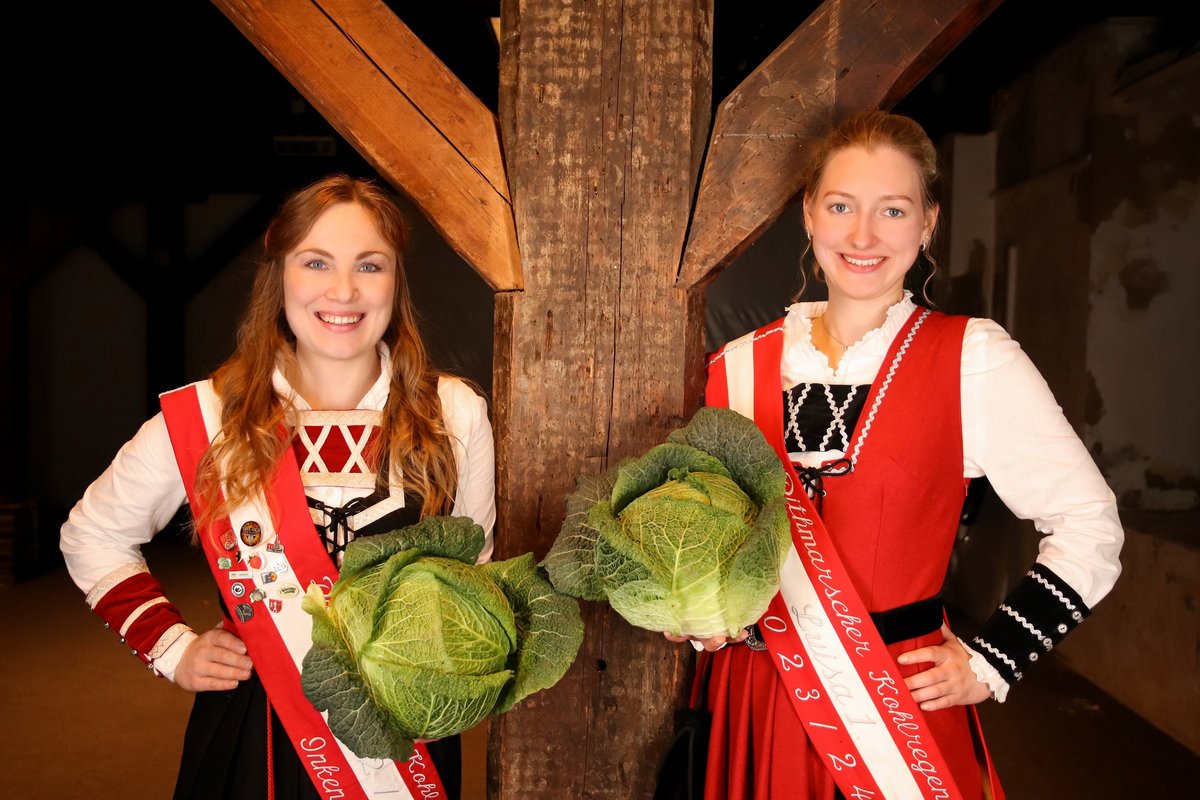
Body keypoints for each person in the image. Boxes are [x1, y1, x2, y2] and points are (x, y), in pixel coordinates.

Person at [670, 110, 1124, 799]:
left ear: (928, 222)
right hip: (754, 701)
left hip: (894, 709)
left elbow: (1091, 522)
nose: (863, 235)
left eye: (893, 210)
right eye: (842, 205)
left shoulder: (971, 357)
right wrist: (692, 611)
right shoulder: (734, 367)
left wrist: (993, 658)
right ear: (809, 214)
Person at [60, 174, 496, 800]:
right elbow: (93, 535)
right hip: (256, 728)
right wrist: (171, 647)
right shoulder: (206, 417)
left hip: (403, 736)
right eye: (315, 262)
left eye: (369, 266)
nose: (342, 291)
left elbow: (472, 570)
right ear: (279, 276)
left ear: (396, 282)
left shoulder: (454, 411)